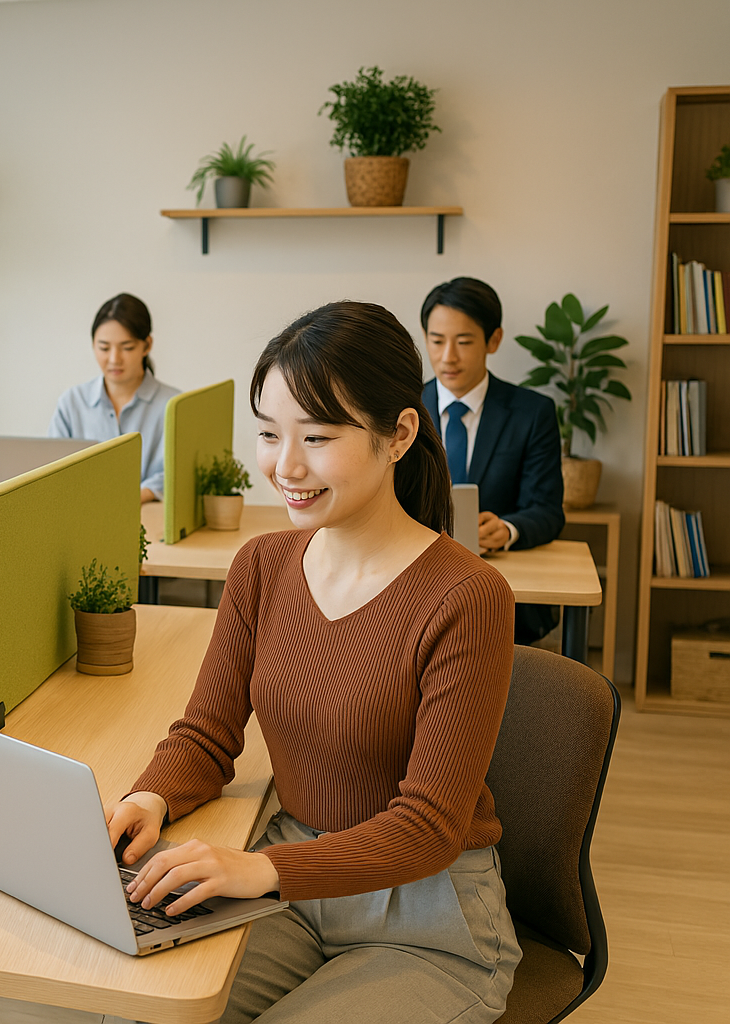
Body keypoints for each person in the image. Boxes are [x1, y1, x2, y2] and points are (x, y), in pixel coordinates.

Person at [106, 301, 521, 1024]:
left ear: (399, 434)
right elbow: (206, 736)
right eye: (268, 433)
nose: (285, 466)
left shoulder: (467, 595)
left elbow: (428, 826)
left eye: (318, 437)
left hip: (424, 921)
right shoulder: (262, 566)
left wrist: (259, 870)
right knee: (140, 1011)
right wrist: (148, 800)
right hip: (289, 887)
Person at [420, 277, 565, 645]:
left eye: (464, 342)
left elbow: (547, 510)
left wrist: (507, 529)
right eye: (436, 341)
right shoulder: (402, 409)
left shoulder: (532, 413)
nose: (447, 356)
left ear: (493, 340)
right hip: (416, 580)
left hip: (500, 587)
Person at [49, 293, 182, 502]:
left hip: (150, 523)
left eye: (127, 347)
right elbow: (50, 472)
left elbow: (180, 475)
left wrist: (133, 497)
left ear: (147, 345)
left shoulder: (174, 405)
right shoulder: (72, 402)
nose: (114, 359)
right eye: (104, 347)